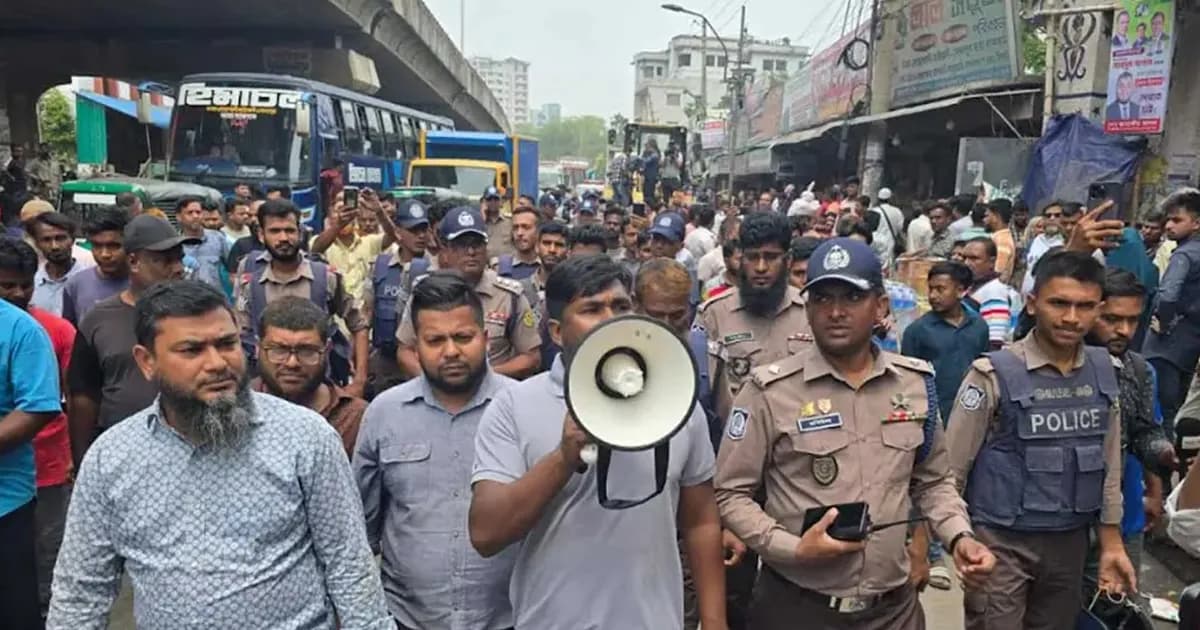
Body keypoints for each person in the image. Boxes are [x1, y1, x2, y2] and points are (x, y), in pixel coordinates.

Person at [48, 280, 391, 629]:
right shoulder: (112, 459)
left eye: (227, 344)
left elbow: (349, 566)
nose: (216, 363)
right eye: (191, 350)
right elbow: (81, 593)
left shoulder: (305, 437)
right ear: (147, 361)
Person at [715, 237, 994, 630]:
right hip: (796, 608)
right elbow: (731, 493)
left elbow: (933, 482)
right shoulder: (769, 391)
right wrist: (792, 549)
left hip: (891, 611)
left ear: (880, 306)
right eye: (823, 299)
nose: (836, 312)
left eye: (851, 297)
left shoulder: (914, 384)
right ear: (807, 308)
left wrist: (959, 538)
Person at [468, 254, 727, 629]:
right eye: (592, 309)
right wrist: (562, 458)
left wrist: (714, 620)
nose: (611, 320)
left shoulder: (676, 399)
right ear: (556, 332)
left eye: (621, 306)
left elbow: (701, 519)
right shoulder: (514, 406)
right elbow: (486, 534)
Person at [946, 250, 1137, 630]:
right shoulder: (992, 375)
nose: (1071, 317)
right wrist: (958, 539)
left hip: (1069, 545)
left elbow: (1109, 464)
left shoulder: (1104, 373)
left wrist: (1112, 541)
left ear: (1098, 309)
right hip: (1000, 544)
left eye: (1084, 306)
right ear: (1032, 304)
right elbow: (949, 472)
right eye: (1059, 303)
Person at [355, 274, 517, 629]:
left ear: (485, 339)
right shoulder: (384, 413)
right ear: (415, 347)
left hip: (508, 618)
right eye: (435, 340)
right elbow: (361, 530)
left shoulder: (521, 410)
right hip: (406, 619)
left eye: (463, 337)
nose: (451, 351)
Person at [67, 214, 195, 468]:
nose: (178, 268)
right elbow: (83, 397)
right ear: (134, 262)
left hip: (191, 450)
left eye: (179, 258)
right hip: (121, 455)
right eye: (166, 261)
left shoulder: (199, 316)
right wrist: (83, 462)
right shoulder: (98, 320)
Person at [1081, 268, 1175, 601]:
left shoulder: (1139, 370)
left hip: (1123, 517)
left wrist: (1159, 477)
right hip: (1061, 525)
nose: (1123, 330)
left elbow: (1146, 431)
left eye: (1133, 320)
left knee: (1119, 609)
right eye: (1111, 319)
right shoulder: (1060, 367)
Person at [0, 237, 72, 624]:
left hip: (5, 503)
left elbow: (39, 407)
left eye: (24, 284)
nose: (18, 293)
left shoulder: (23, 331)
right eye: (7, 284)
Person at [234, 198, 369, 398]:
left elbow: (358, 325)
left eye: (289, 231)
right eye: (275, 231)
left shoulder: (325, 277)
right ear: (261, 235)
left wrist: (359, 381)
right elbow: (240, 332)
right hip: (266, 390)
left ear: (300, 232)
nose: (283, 238)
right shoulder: (249, 275)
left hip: (319, 388)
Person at [395, 207, 541, 381]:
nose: (471, 252)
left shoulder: (509, 295)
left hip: (493, 398)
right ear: (445, 249)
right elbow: (405, 350)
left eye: (477, 244)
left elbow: (531, 357)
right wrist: (433, 382)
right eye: (462, 244)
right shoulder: (425, 290)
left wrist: (484, 379)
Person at [697, 211, 812, 420]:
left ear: (788, 260)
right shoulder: (713, 314)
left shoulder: (809, 312)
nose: (760, 268)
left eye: (771, 257)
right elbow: (702, 395)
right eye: (752, 257)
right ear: (741, 259)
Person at [254, 296, 366, 455]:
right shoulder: (237, 408)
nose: (292, 363)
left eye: (307, 351)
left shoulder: (356, 419)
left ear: (327, 350)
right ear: (258, 348)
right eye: (279, 350)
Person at [902, 261, 990, 422]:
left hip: (971, 413)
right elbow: (907, 381)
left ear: (961, 291)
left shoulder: (979, 326)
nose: (933, 296)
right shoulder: (917, 331)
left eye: (940, 289)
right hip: (933, 416)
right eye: (931, 289)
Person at [1144, 189, 1200, 437]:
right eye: (1167, 219)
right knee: (1174, 411)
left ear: (1196, 223)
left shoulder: (1184, 255)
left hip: (1165, 347)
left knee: (1155, 414)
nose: (1168, 225)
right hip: (1189, 347)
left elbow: (1167, 295)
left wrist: (1163, 322)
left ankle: (1160, 471)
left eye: (1177, 220)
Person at [365, 199, 434, 397]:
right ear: (398, 233)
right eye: (413, 230)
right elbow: (366, 314)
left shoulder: (437, 268)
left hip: (423, 363)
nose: (420, 236)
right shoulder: (380, 267)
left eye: (424, 229)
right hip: (386, 364)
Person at [310, 188, 396, 302]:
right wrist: (339, 225)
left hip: (363, 315)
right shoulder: (320, 242)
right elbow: (316, 249)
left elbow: (392, 236)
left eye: (348, 209)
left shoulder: (368, 243)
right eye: (339, 210)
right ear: (329, 215)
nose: (344, 214)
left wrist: (379, 211)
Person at [61, 208, 130, 327]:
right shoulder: (75, 285)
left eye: (113, 246)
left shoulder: (145, 284)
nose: (105, 254)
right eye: (97, 246)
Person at [28, 211, 92, 316]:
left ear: (72, 239)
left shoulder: (87, 280)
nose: (54, 246)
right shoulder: (31, 282)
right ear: (37, 244)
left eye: (60, 238)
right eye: (46, 240)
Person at [961, 237, 1019, 349]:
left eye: (974, 258)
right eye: (964, 258)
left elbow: (995, 340)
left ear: (992, 262)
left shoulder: (994, 291)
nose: (967, 263)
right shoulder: (972, 287)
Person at [176, 196, 231, 290]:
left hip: (214, 297)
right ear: (179, 217)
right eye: (190, 213)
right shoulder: (174, 244)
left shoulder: (218, 238)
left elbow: (231, 268)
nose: (195, 216)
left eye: (198, 212)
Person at [1020, 201, 1068, 297]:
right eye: (1048, 215)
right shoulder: (1036, 240)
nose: (1052, 218)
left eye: (1057, 215)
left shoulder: (1067, 242)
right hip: (1026, 298)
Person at [493, 205, 541, 281]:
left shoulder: (547, 266)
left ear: (538, 231)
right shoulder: (500, 267)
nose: (519, 233)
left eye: (526, 227)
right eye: (515, 228)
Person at [984, 199, 1016, 284]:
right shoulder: (999, 237)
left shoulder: (1002, 241)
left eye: (987, 216)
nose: (984, 220)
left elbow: (998, 272)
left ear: (996, 217)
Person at [481, 187, 515, 258]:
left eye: (496, 199)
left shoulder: (510, 221)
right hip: (486, 266)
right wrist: (483, 218)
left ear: (500, 201)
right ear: (484, 202)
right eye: (489, 199)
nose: (493, 202)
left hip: (506, 265)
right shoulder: (480, 222)